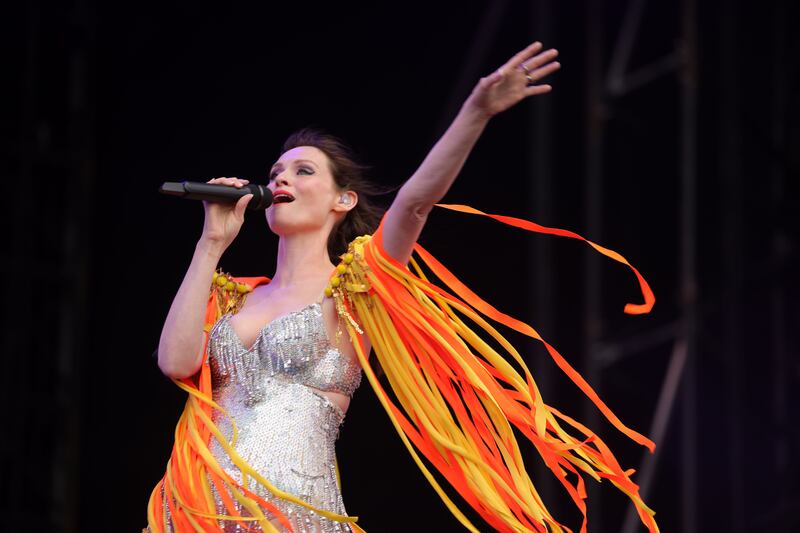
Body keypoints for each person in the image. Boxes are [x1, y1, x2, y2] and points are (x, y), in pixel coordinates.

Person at [146, 41, 659, 533]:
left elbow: (414, 204)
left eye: (303, 172)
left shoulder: (355, 286)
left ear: (342, 201)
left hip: (291, 512)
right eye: (276, 172)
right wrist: (212, 242)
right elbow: (174, 362)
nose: (281, 180)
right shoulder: (234, 297)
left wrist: (476, 112)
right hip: (195, 512)